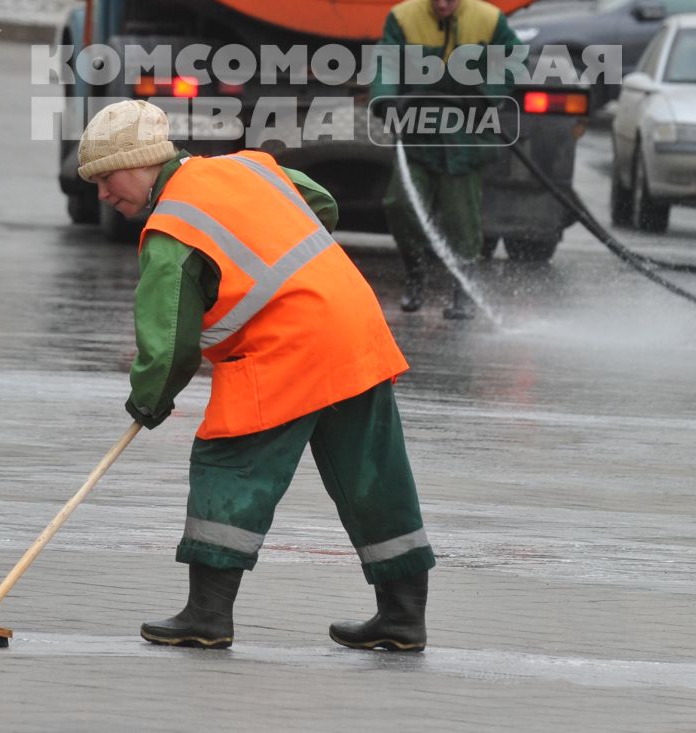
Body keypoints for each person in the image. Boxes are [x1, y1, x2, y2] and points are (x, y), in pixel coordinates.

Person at [78, 100, 436, 652]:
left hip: (287, 350)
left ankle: (206, 615)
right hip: (353, 326)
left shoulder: (172, 227)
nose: (102, 194)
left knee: (231, 467)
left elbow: (170, 343)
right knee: (374, 477)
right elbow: (322, 203)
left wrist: (149, 402)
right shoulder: (247, 165)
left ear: (139, 161)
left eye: (105, 179)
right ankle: (404, 617)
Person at [370, 0, 523, 319]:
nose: (441, 3)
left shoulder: (488, 20)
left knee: (460, 217)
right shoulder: (404, 18)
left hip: (464, 135)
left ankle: (462, 290)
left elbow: (514, 60)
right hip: (418, 131)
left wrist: (486, 94)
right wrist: (385, 99)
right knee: (400, 204)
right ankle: (416, 275)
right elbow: (386, 63)